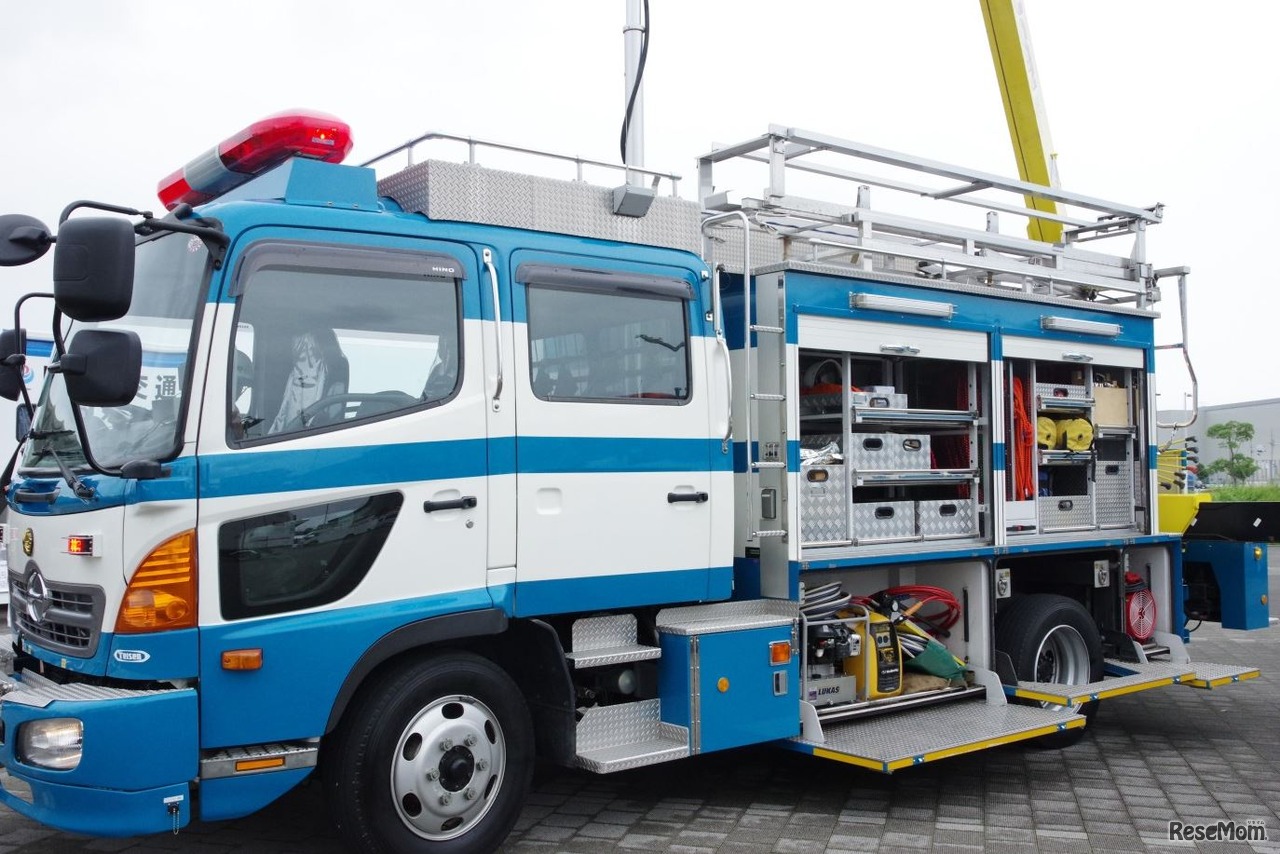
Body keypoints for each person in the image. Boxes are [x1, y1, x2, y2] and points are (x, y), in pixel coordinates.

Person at [269, 329, 347, 433]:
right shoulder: (290, 388)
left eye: (312, 358)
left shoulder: (334, 391)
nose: (306, 367)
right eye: (299, 360)